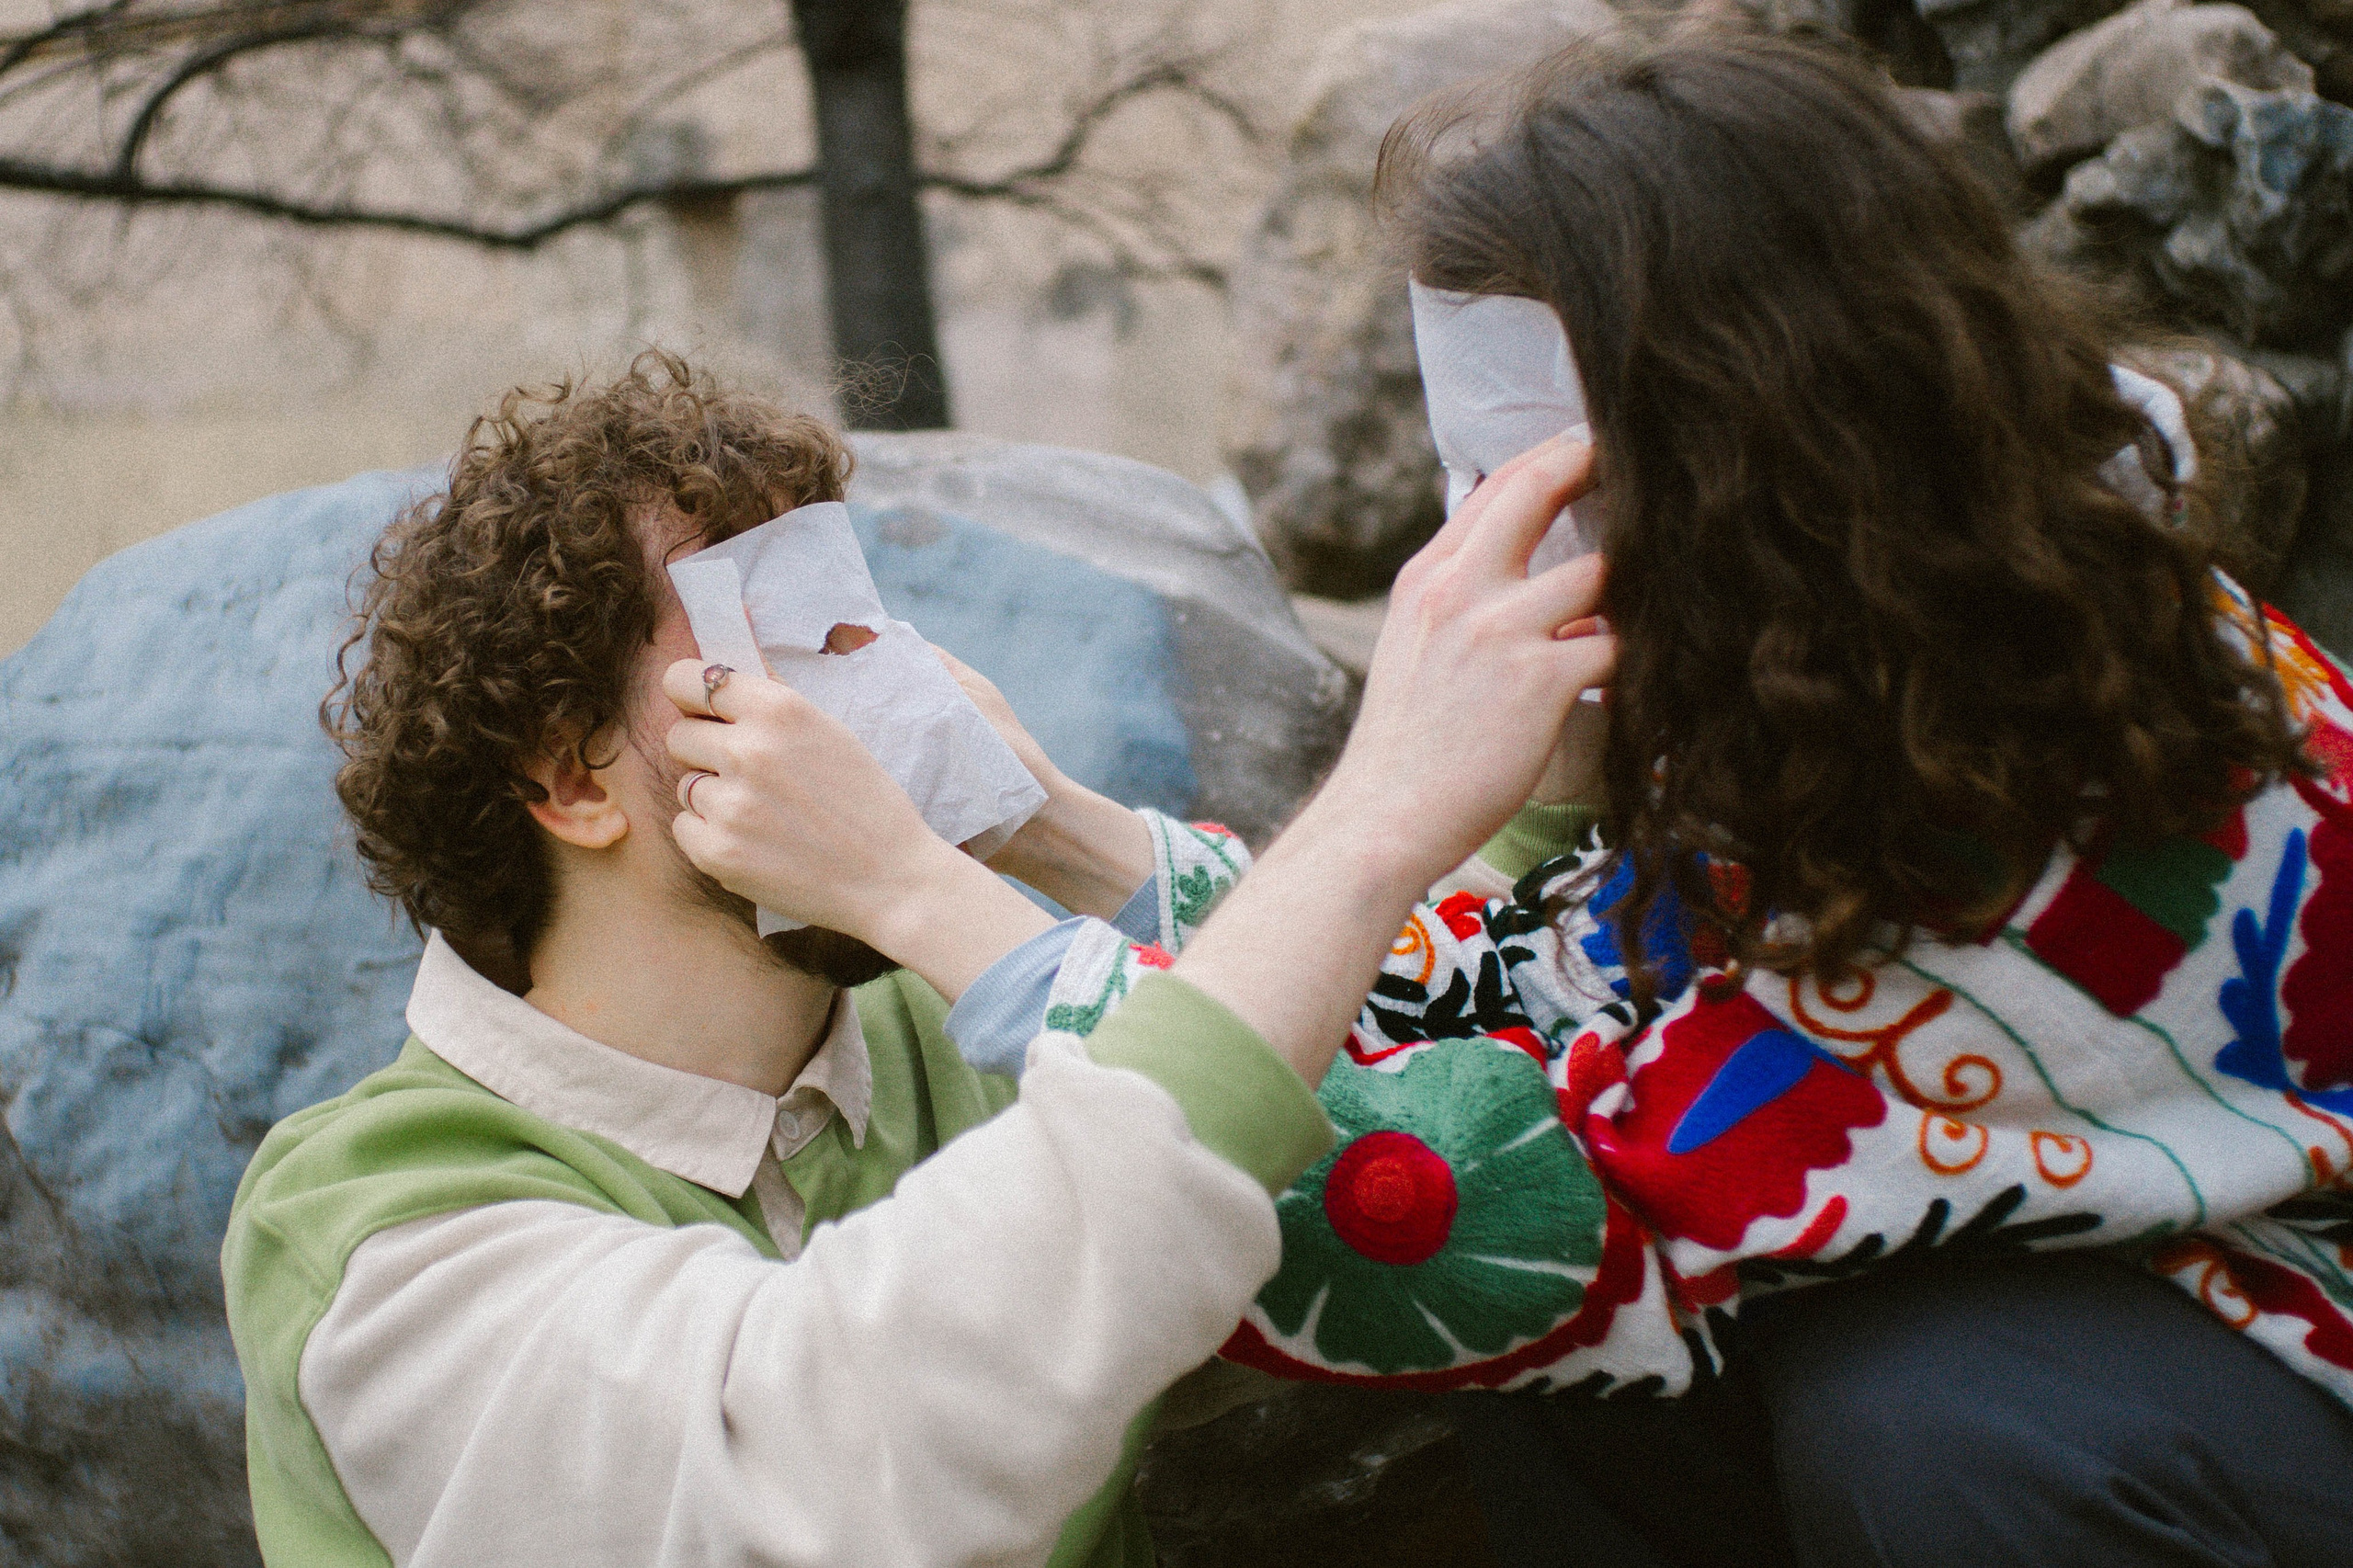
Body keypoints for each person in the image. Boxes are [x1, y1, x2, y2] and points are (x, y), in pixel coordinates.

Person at [687, 27, 2353, 1568]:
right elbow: (1517, 1007)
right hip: (2077, 1284)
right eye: (1459, 473)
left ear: (1762, 446)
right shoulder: (1851, 648)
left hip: (2270, 1348)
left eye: (1526, 477)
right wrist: (1047, 823)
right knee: (1664, 1410)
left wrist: (928, 902)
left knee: (1947, 1431)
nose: (1462, 542)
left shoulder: (2056, 761)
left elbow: (1463, 1212)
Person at [219, 352, 1615, 1567]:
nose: (871, 681)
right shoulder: (380, 1225)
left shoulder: (951, 1027)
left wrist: (1056, 829)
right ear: (567, 780)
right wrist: (1365, 816)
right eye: (766, 630)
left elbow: (1419, 1169)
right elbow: (826, 1473)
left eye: (856, 614)